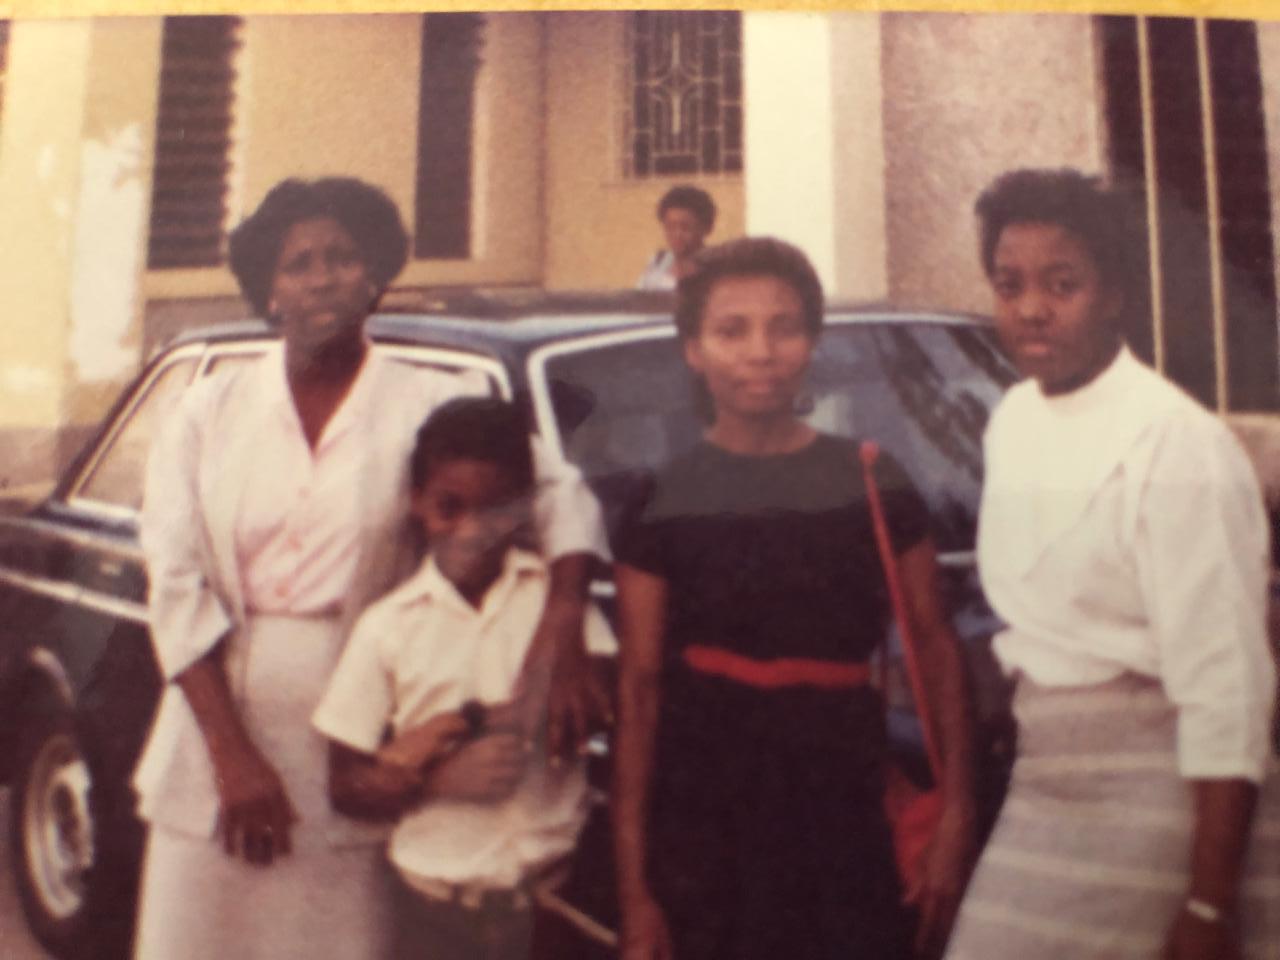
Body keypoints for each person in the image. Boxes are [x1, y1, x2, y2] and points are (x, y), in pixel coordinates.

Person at [131, 177, 609, 960]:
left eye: (343, 257)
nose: (322, 277)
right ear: (269, 291)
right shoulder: (206, 410)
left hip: (363, 724)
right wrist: (233, 756)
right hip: (214, 722)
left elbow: (560, 496)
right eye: (299, 263)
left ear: (376, 275)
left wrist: (563, 620)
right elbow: (175, 581)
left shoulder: (431, 398)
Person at [945, 168, 1280, 960]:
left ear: (1115, 294)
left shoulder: (1173, 443)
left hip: (1158, 793)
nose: (1031, 308)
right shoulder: (1014, 421)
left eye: (1063, 284)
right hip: (1045, 784)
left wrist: (1207, 902)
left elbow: (1226, 685)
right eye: (1009, 283)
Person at [613, 236, 977, 960]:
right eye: (731, 330)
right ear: (692, 350)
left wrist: (957, 817)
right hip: (705, 818)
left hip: (843, 812)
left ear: (812, 341)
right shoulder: (662, 498)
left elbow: (936, 649)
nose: (760, 351)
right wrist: (635, 892)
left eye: (784, 326)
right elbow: (640, 690)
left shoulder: (872, 479)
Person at [312, 396, 617, 960]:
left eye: (497, 509)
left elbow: (587, 704)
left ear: (526, 511)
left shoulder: (555, 613)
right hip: (434, 916)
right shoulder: (387, 627)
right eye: (449, 508)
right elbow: (344, 785)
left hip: (547, 907)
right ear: (416, 504)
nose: (472, 531)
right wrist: (437, 777)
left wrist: (455, 723)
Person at [635, 185, 716, 291]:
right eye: (670, 227)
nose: (677, 234)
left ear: (707, 228)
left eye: (685, 227)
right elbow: (640, 300)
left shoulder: (715, 270)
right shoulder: (658, 264)